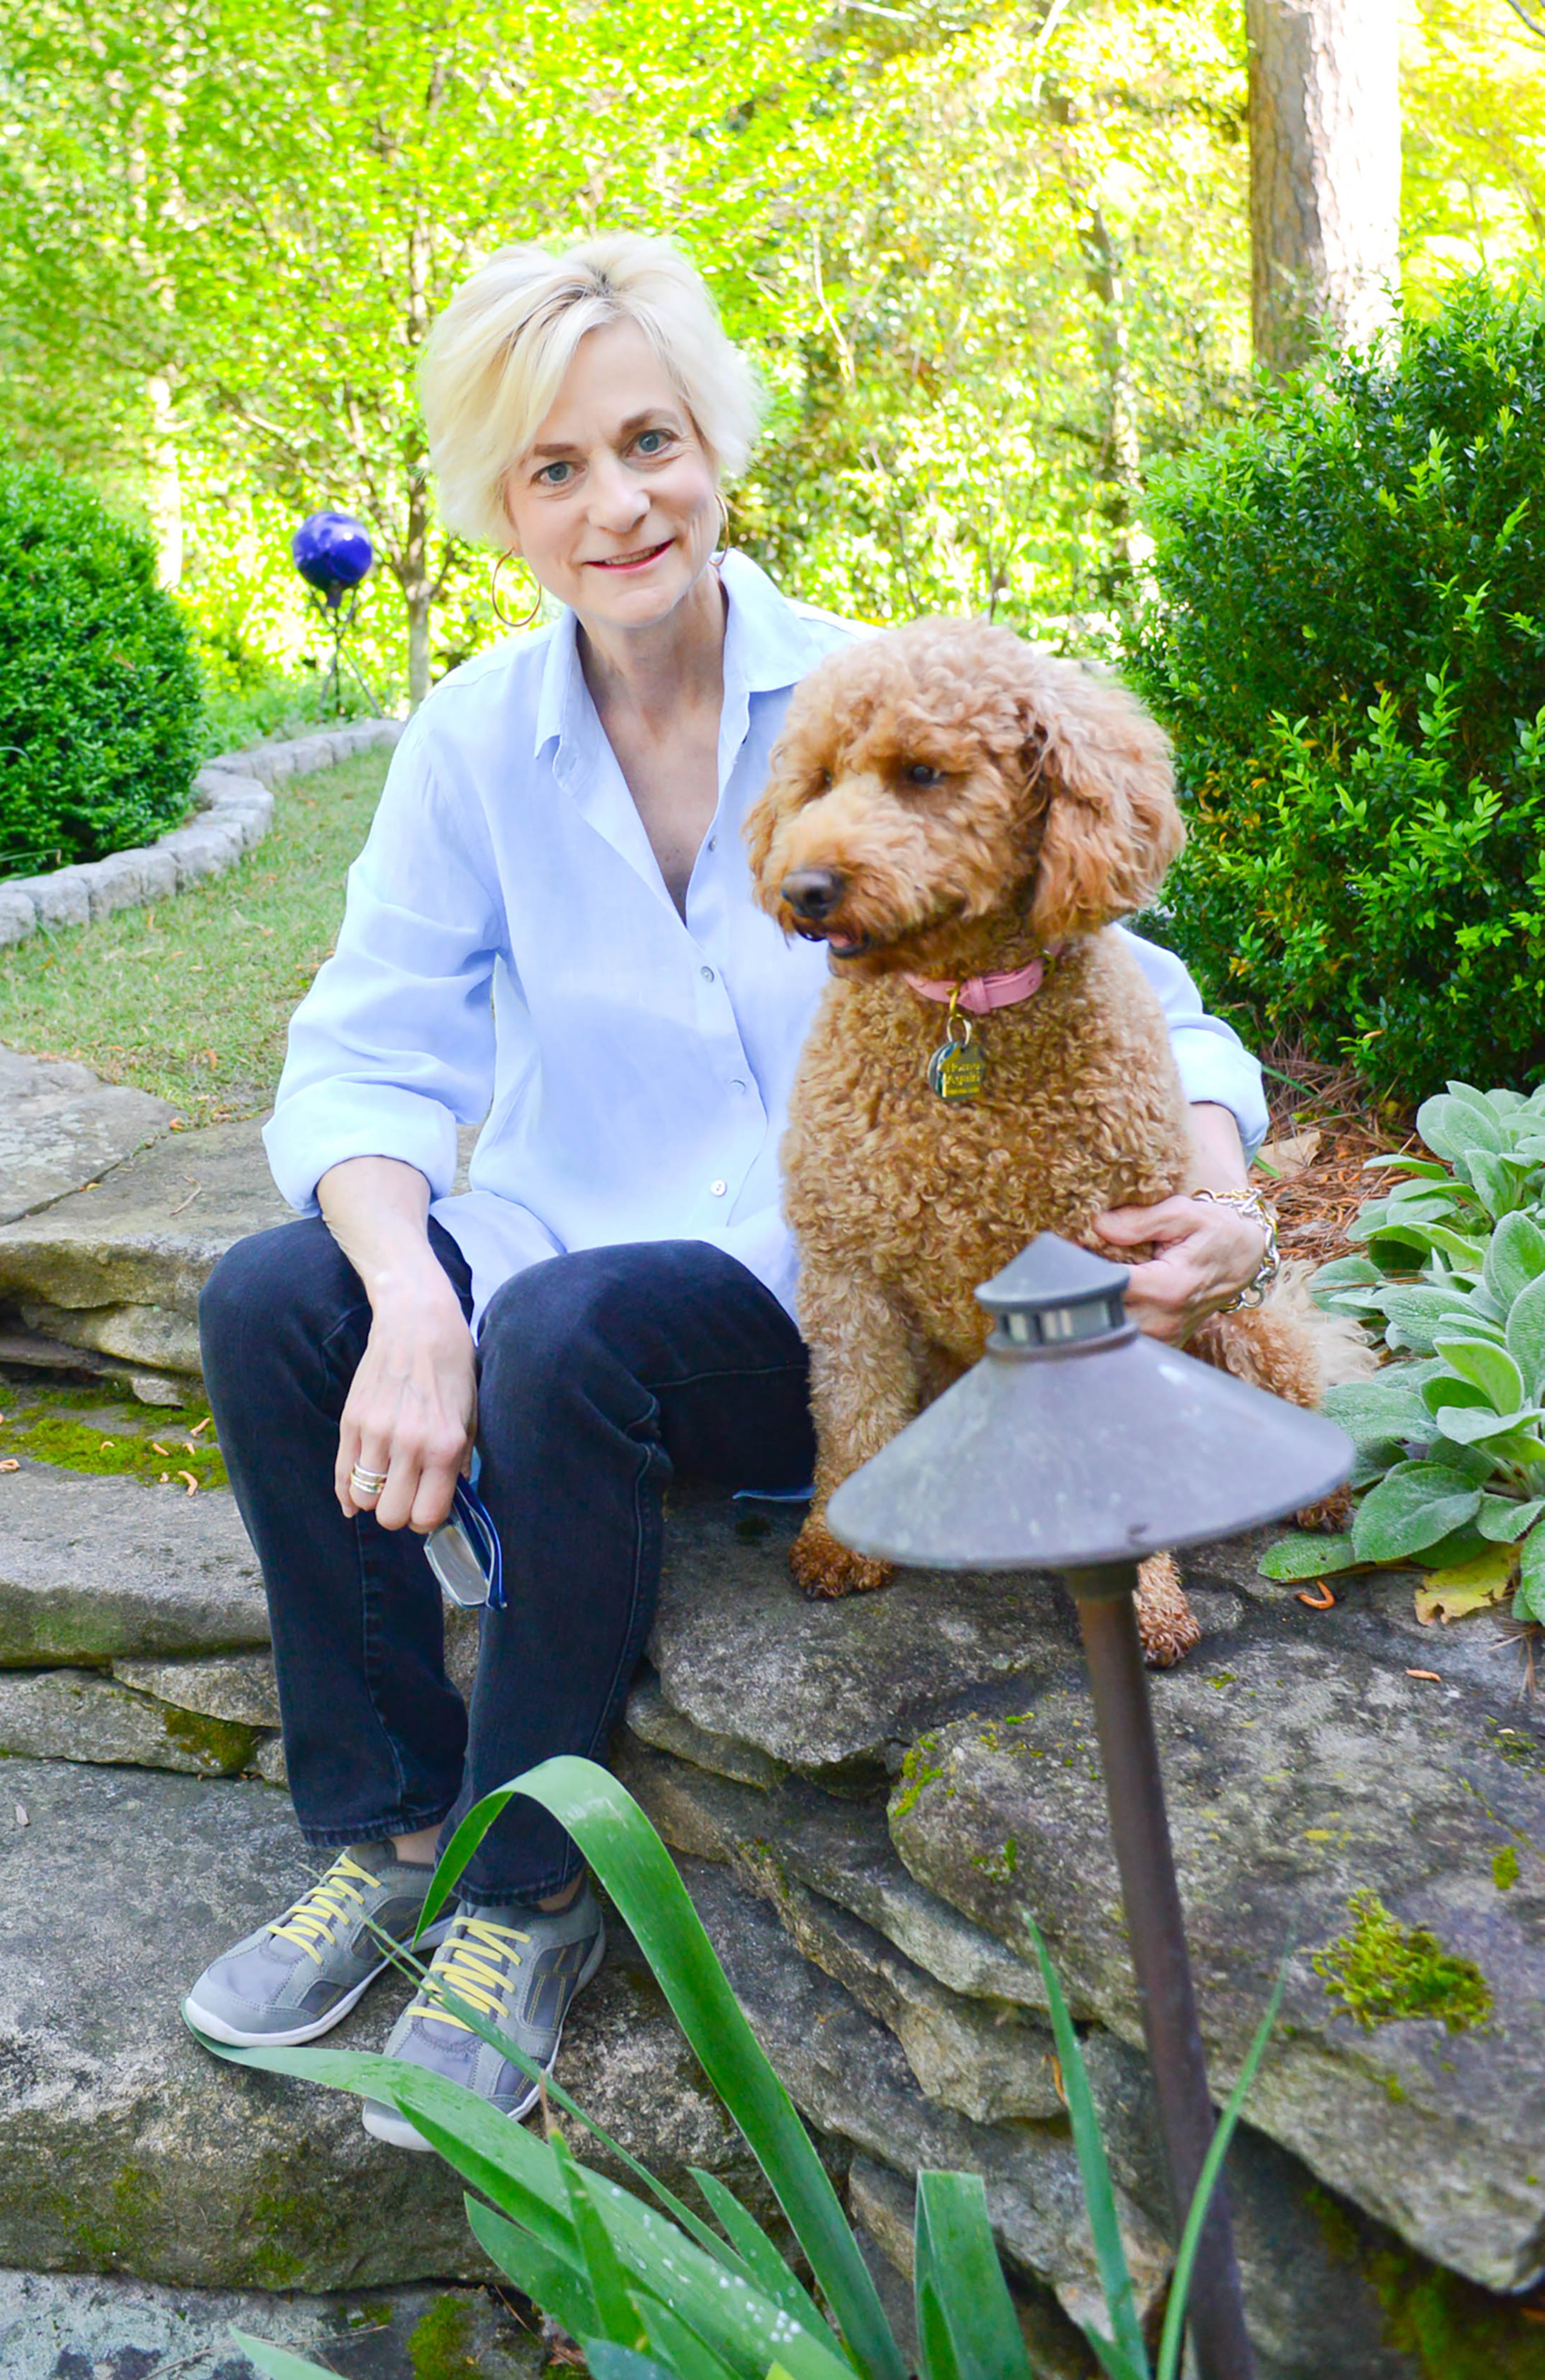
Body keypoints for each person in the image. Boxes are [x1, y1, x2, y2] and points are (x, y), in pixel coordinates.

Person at [182, 233, 1271, 2147]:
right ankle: (391, 1826)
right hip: (538, 1286)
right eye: (554, 468)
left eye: (650, 442)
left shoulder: (868, 698)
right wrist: (410, 1303)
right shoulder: (470, 743)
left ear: (716, 447)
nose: (618, 504)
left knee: (569, 1318)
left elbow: (1148, 1002)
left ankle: (527, 1892)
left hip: (792, 1325)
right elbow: (365, 1053)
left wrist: (1222, 1190)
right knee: (277, 1297)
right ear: (502, 506)